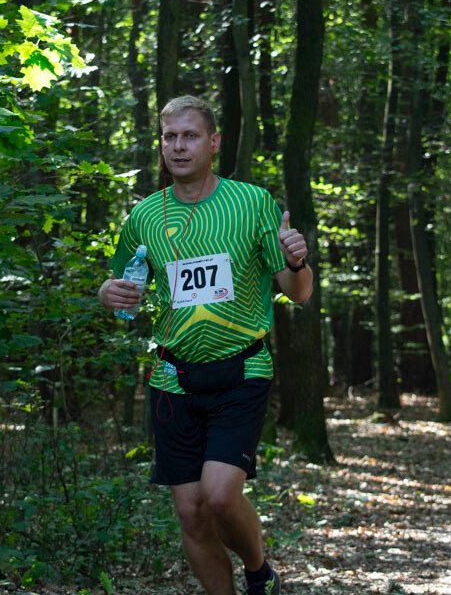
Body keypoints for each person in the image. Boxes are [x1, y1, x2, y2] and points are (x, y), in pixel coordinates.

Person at [98, 95, 312, 595]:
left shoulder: (251, 203)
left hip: (241, 372)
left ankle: (259, 572)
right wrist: (108, 292)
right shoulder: (145, 216)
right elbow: (119, 285)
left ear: (213, 142)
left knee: (218, 497)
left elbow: (298, 293)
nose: (178, 146)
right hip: (173, 378)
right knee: (192, 515)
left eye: (189, 136)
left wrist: (297, 263)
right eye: (169, 137)